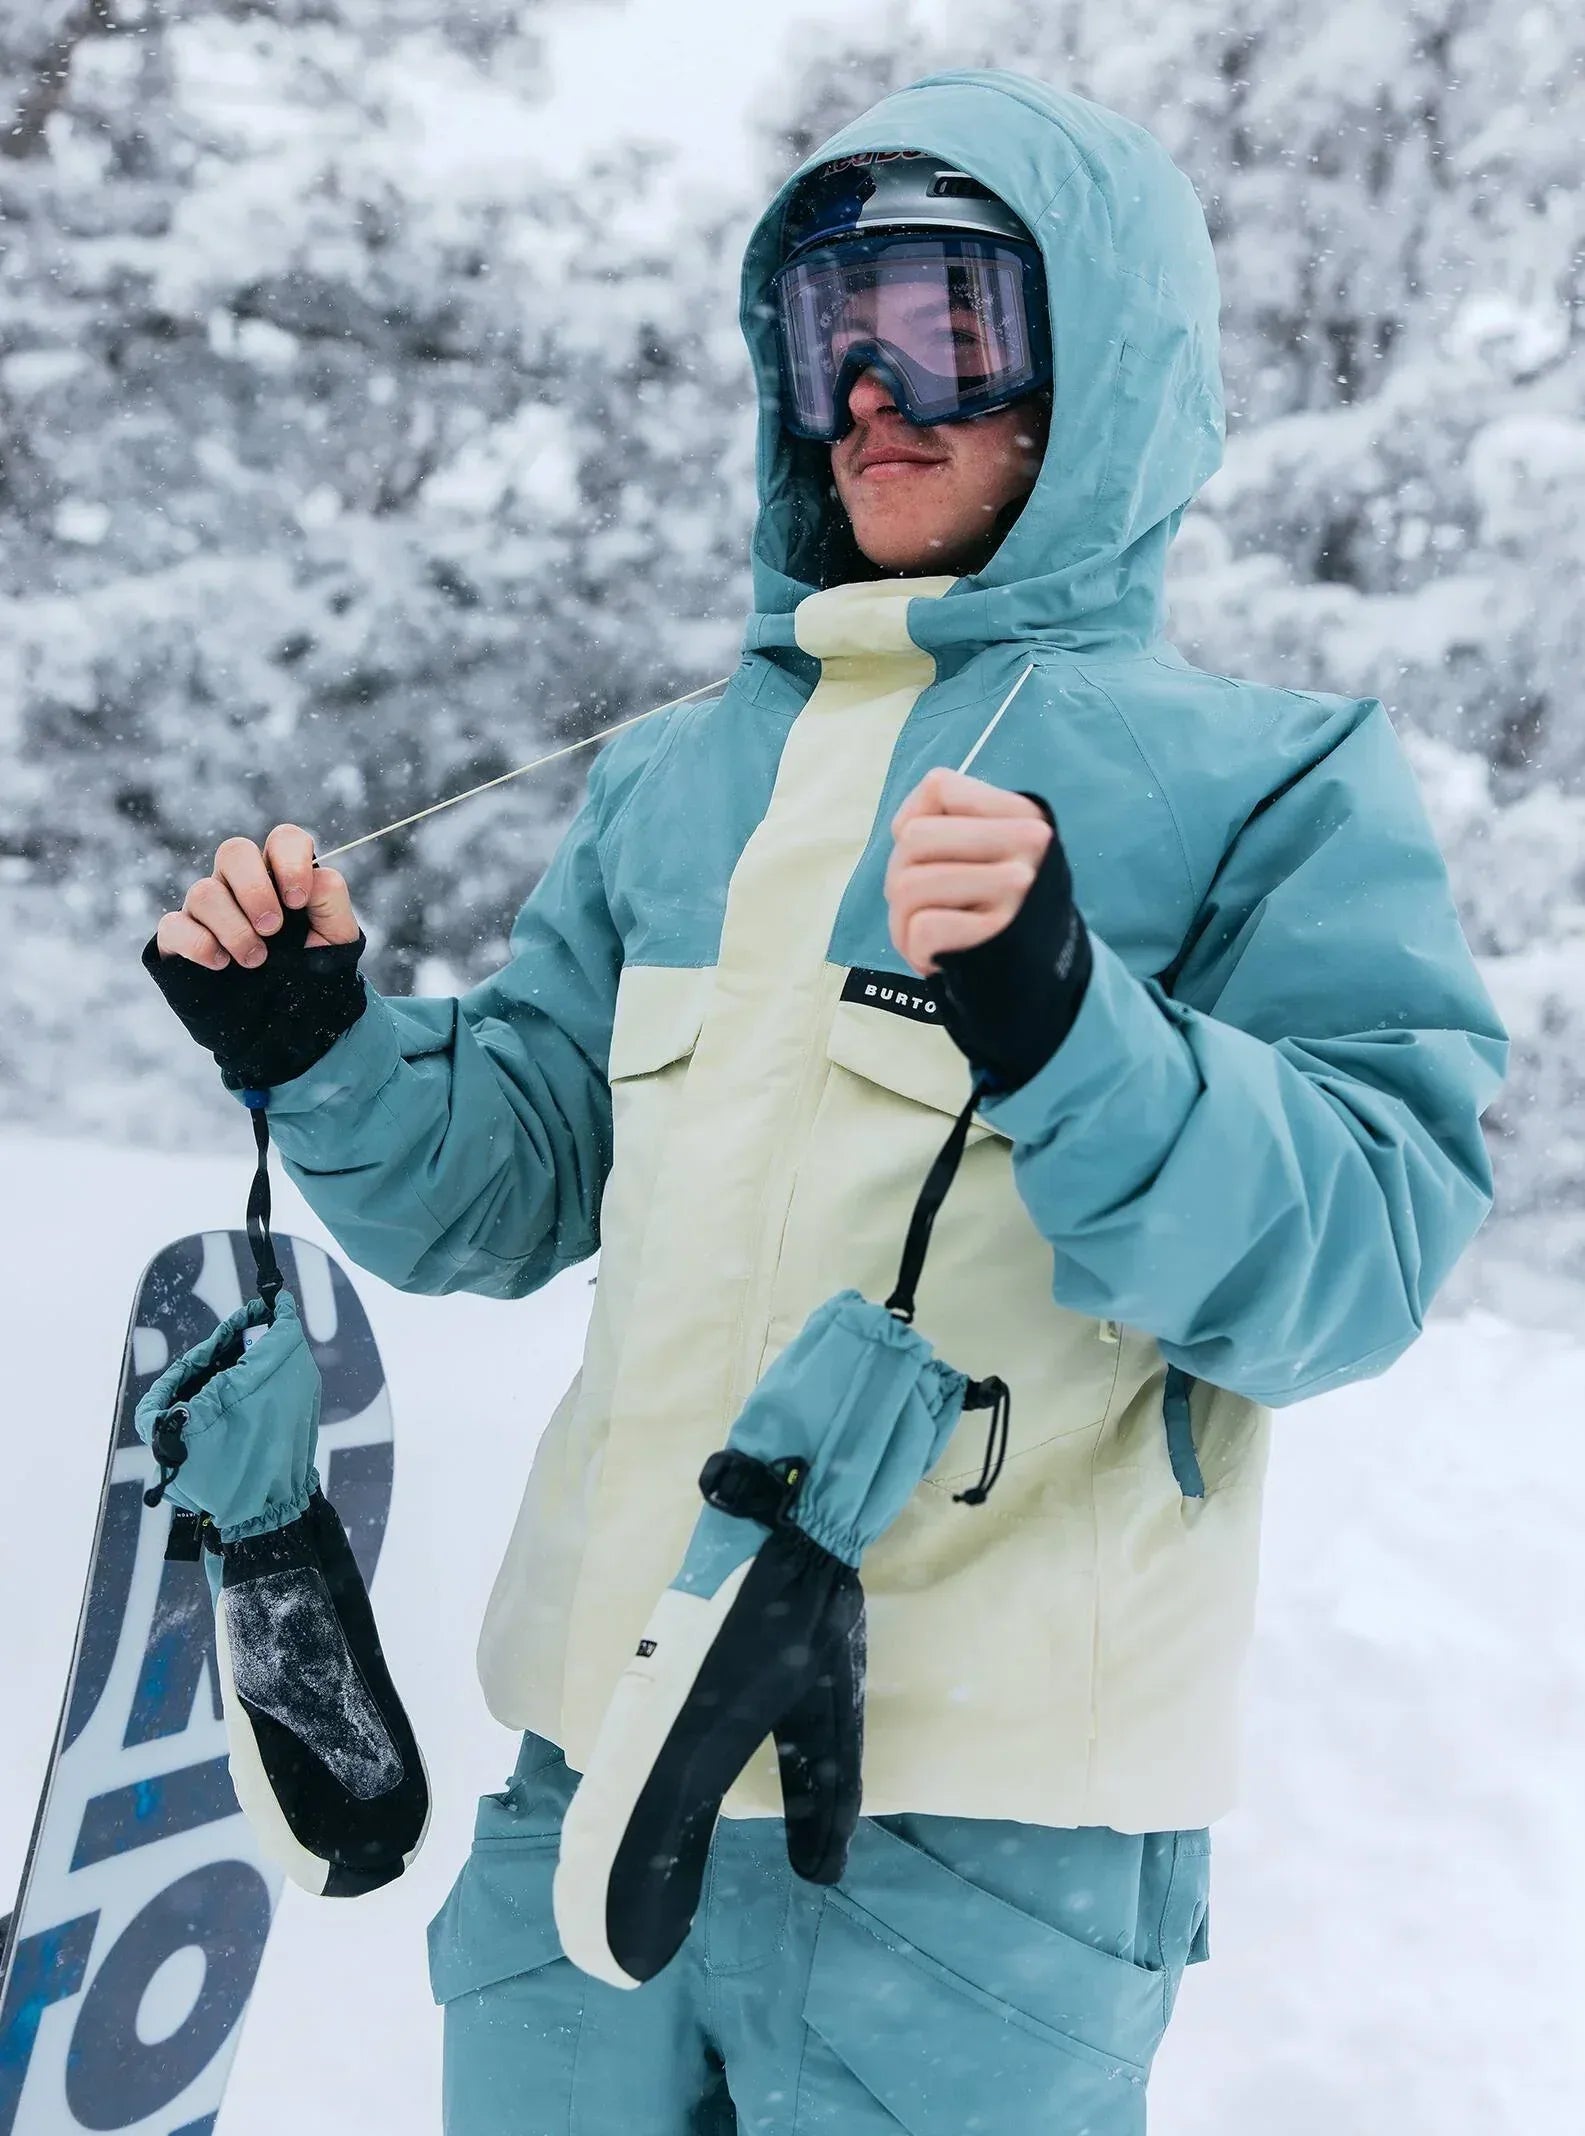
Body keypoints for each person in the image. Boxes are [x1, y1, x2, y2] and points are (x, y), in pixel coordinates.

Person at [145, 69, 1507, 2136]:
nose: (868, 389)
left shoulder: (1273, 780)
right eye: (820, 329)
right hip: (584, 1795)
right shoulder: (672, 777)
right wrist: (318, 1042)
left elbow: (1360, 1259)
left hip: (982, 1852)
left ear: (1100, 362)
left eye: (946, 320)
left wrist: (1072, 1023)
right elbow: (500, 1188)